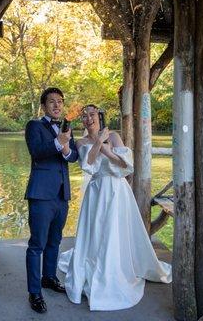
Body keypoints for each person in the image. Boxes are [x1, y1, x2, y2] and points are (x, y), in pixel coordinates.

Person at [58, 104, 172, 311]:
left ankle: (113, 268)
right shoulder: (82, 141)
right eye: (84, 117)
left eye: (91, 115)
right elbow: (88, 165)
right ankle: (92, 265)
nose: (88, 119)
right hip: (96, 191)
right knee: (96, 231)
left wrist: (107, 149)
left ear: (99, 117)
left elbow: (127, 166)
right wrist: (98, 143)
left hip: (117, 190)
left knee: (113, 230)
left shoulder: (115, 137)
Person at [25, 87, 78, 314]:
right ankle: (34, 292)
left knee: (54, 242)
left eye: (60, 101)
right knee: (37, 245)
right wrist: (58, 142)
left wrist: (65, 146)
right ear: (44, 106)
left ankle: (49, 278)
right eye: (52, 102)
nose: (57, 105)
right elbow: (37, 151)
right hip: (41, 195)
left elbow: (73, 156)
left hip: (61, 195)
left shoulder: (66, 128)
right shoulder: (34, 126)